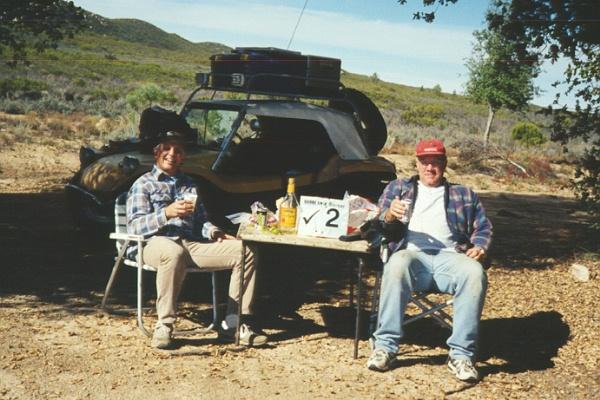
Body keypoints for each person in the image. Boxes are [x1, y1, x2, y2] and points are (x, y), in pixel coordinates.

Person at [126, 130, 267, 349]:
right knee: (172, 251)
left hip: (189, 244)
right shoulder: (143, 184)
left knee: (245, 250)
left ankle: (233, 323)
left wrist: (214, 232)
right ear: (156, 152)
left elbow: (200, 221)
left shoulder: (189, 184)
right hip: (153, 243)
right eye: (166, 148)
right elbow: (135, 226)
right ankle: (164, 325)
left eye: (178, 150)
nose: (172, 154)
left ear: (183, 156)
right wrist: (166, 214)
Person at [367, 138, 492, 382]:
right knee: (397, 263)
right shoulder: (398, 188)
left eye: (435, 162)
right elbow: (375, 223)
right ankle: (385, 347)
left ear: (444, 164)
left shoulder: (464, 194)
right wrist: (389, 214)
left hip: (451, 258)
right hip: (412, 256)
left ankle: (461, 355)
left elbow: (483, 227)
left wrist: (480, 247)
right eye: (425, 162)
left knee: (475, 273)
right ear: (416, 163)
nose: (430, 167)